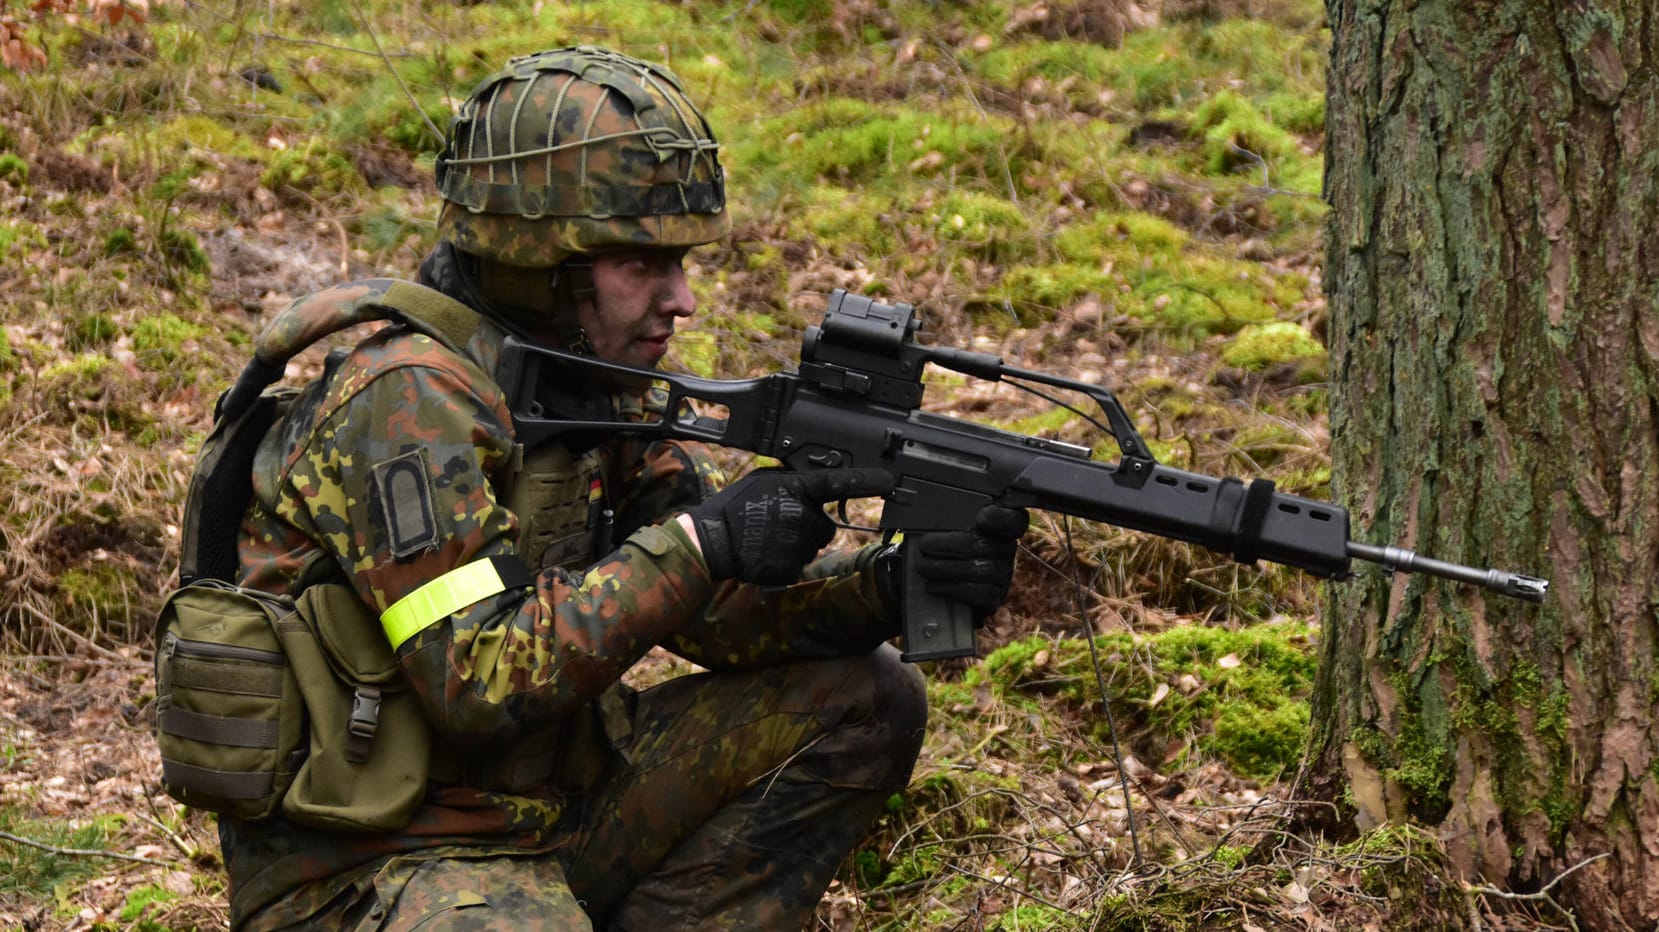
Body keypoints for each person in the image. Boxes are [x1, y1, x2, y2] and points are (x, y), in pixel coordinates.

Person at [218, 45, 1027, 930]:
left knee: (865, 701)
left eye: (680, 262)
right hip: (367, 863)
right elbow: (477, 681)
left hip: (548, 820)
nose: (680, 299)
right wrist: (699, 541)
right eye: (641, 265)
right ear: (540, 262)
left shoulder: (593, 383)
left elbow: (714, 615)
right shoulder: (405, 399)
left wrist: (885, 584)